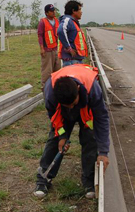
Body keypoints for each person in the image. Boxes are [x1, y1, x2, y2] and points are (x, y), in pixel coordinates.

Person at [34, 64, 110, 199]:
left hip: (85, 107)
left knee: (90, 138)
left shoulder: (92, 88)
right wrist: (62, 135)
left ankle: (89, 181)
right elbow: (54, 117)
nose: (71, 107)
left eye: (73, 104)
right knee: (55, 140)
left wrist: (103, 152)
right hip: (62, 111)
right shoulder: (50, 91)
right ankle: (44, 178)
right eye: (68, 106)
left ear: (78, 90)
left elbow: (101, 119)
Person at [38, 4, 61, 89]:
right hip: (47, 50)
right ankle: (45, 88)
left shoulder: (57, 21)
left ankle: (56, 87)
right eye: (51, 11)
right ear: (46, 13)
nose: (54, 12)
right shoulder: (42, 22)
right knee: (47, 71)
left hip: (55, 49)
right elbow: (40, 35)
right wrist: (41, 48)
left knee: (57, 69)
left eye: (54, 10)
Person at [58, 0, 87, 66]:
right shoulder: (68, 20)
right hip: (71, 61)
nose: (81, 12)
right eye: (79, 9)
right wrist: (69, 48)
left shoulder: (73, 22)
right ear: (74, 11)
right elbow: (60, 30)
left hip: (76, 60)